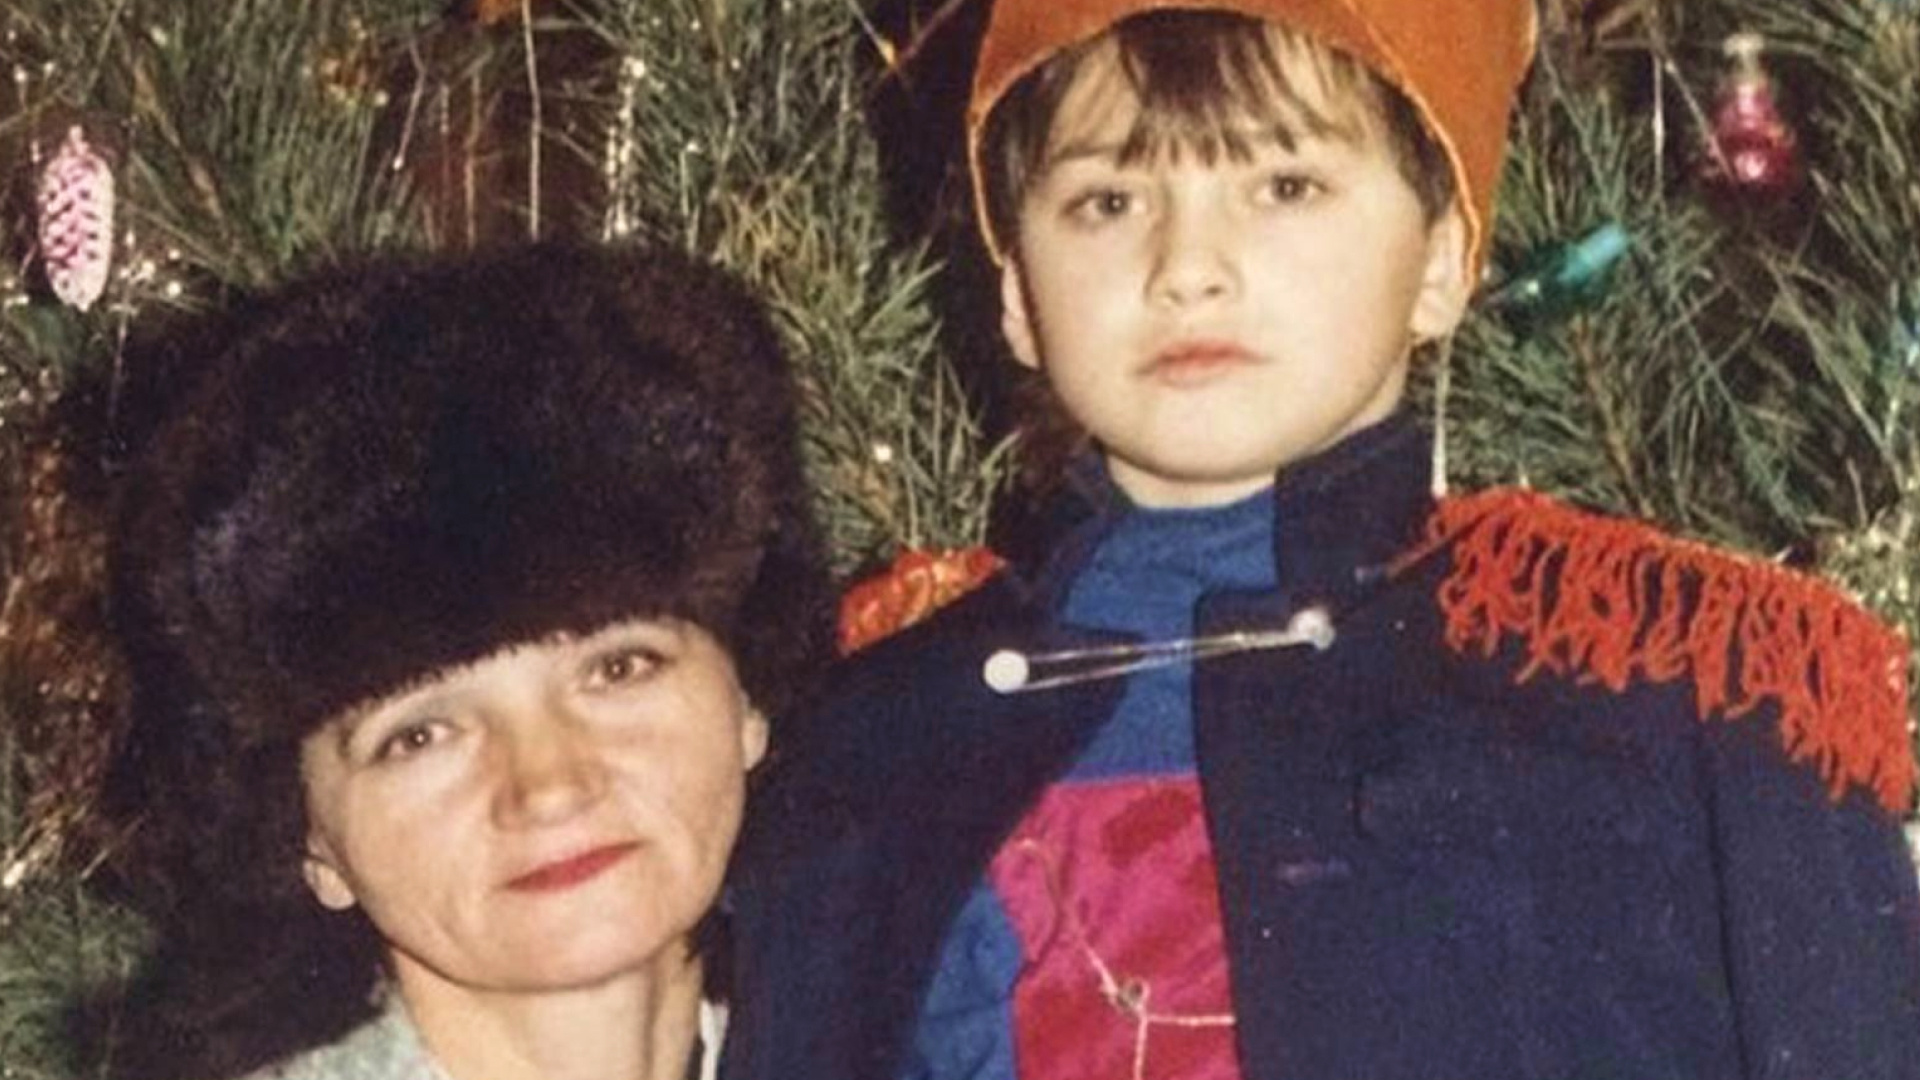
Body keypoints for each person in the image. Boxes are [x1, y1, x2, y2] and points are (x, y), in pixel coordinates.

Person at [721, 2, 1920, 1078]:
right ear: (1019, 297)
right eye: (1108, 202)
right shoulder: (871, 751)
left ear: (1442, 259)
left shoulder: (1688, 702)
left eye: (1284, 184)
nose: (1187, 269)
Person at [103, 244, 833, 1080]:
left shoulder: (911, 1035)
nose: (549, 785)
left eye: (618, 668)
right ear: (308, 838)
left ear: (746, 701)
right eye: (419, 735)